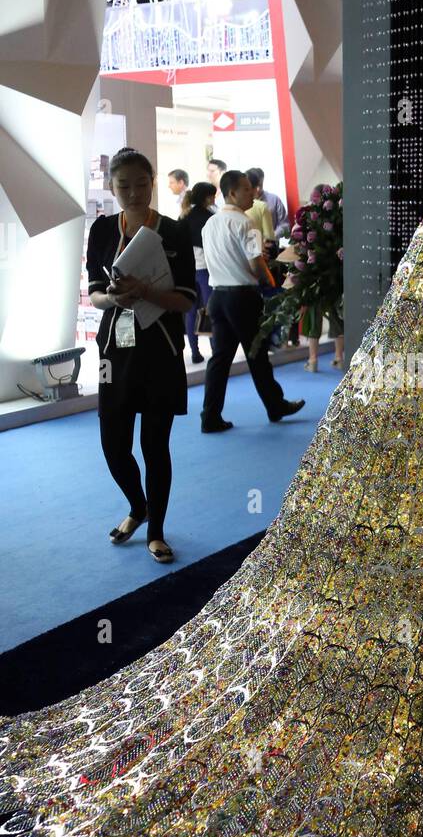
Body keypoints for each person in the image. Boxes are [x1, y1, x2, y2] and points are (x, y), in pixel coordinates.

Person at [86, 147, 197, 564]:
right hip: (115, 349)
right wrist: (112, 297)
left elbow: (187, 301)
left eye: (140, 183)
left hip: (162, 350)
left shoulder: (174, 231)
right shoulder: (101, 231)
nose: (133, 192)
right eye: (123, 185)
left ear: (153, 182)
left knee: (155, 445)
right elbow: (95, 291)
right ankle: (137, 506)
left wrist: (147, 291)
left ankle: (156, 531)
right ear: (113, 187)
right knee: (113, 445)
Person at [200, 170, 304, 432]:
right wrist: (273, 282)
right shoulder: (246, 223)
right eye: (246, 188)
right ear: (232, 193)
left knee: (219, 359)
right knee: (257, 355)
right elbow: (256, 265)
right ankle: (275, 405)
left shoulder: (210, 224)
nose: (253, 192)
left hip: (218, 297)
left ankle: (210, 416)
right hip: (243, 298)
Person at [181, 180, 217, 365]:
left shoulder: (184, 216)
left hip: (188, 269)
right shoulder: (210, 217)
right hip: (205, 268)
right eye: (213, 194)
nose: (215, 197)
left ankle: (194, 352)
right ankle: (214, 348)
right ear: (207, 197)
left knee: (191, 310)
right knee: (210, 308)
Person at [246, 167, 289, 239]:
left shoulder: (274, 199)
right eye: (255, 186)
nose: (258, 189)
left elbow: (285, 225)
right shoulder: (243, 203)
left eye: (260, 185)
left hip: (273, 246)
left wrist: (273, 236)